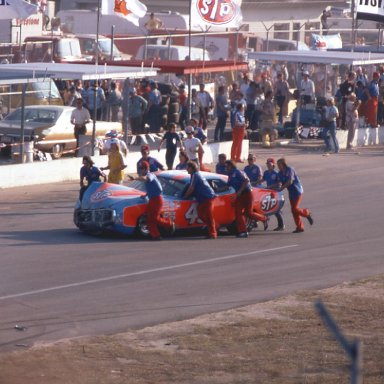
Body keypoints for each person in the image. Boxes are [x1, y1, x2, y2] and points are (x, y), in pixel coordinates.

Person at [224, 160, 268, 238]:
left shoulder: (237, 172)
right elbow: (228, 185)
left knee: (249, 212)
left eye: (226, 166)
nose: (225, 167)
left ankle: (264, 218)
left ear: (230, 165)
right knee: (238, 213)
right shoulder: (230, 174)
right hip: (239, 196)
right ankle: (243, 231)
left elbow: (246, 180)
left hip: (247, 193)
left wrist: (240, 191)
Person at [133, 160, 174, 241]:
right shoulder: (146, 176)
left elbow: (146, 179)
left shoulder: (150, 175)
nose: (141, 170)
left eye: (142, 168)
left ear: (146, 169)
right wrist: (145, 195)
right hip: (152, 199)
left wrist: (136, 178)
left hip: (157, 199)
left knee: (154, 218)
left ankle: (169, 224)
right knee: (149, 218)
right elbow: (151, 188)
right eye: (140, 168)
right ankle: (156, 235)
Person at [277, 158, 313, 233]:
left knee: (295, 209)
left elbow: (290, 181)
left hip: (297, 191)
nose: (278, 166)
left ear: (283, 164)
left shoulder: (290, 169)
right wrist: (278, 186)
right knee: (293, 211)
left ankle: (306, 213)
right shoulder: (280, 173)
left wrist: (282, 188)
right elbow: (280, 182)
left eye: (279, 164)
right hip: (291, 192)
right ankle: (300, 227)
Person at [184, 161, 217, 239]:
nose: (186, 169)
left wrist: (185, 196)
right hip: (203, 199)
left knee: (209, 216)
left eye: (188, 167)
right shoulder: (194, 175)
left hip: (208, 197)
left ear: (192, 168)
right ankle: (213, 227)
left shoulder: (195, 175)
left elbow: (191, 188)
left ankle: (213, 233)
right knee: (201, 215)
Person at [262, 158, 285, 231]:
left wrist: (269, 187)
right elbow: (263, 179)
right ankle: (265, 221)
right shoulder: (266, 172)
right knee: (266, 207)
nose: (268, 165)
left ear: (273, 165)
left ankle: (281, 225)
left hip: (275, 193)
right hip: (268, 193)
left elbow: (279, 184)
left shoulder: (276, 173)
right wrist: (256, 182)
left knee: (276, 210)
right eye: (267, 164)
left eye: (269, 164)